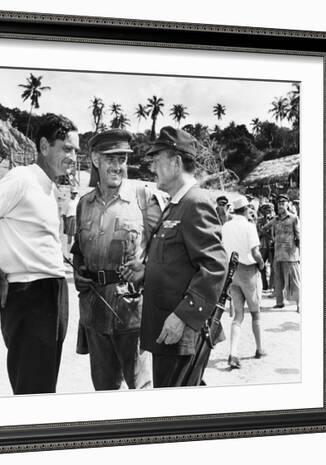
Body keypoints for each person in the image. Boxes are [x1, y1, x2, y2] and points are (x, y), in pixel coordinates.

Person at [0, 114, 79, 394]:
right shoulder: (22, 178)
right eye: (67, 148)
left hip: (52, 292)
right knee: (32, 391)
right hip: (30, 295)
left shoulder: (49, 186)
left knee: (44, 387)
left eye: (76, 150)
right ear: (45, 146)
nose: (73, 157)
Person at [121, 127, 227, 387]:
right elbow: (179, 262)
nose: (152, 167)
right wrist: (146, 271)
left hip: (179, 332)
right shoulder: (177, 204)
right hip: (167, 331)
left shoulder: (195, 203)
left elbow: (214, 266)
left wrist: (182, 316)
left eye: (157, 160)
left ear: (176, 163)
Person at [71, 129, 165, 391]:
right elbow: (78, 248)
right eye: (111, 158)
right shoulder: (83, 204)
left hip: (132, 312)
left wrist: (146, 269)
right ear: (95, 159)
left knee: (140, 389)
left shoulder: (144, 198)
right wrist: (78, 270)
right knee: (104, 390)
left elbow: (168, 247)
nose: (118, 166)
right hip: (94, 311)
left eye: (122, 159)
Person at [221, 195, 266, 369]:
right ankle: (259, 348)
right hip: (248, 271)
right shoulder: (249, 226)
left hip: (232, 271)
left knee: (238, 315)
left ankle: (233, 352)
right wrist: (262, 266)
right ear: (246, 209)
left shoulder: (226, 226)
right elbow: (255, 253)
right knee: (255, 313)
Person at [268, 195, 301, 311]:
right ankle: (279, 302)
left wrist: (299, 253)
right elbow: (264, 229)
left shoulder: (294, 218)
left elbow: (299, 236)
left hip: (290, 255)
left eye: (283, 203)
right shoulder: (275, 219)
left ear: (288, 204)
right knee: (278, 280)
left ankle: (299, 304)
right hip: (278, 254)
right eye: (279, 204)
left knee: (294, 281)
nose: (281, 206)